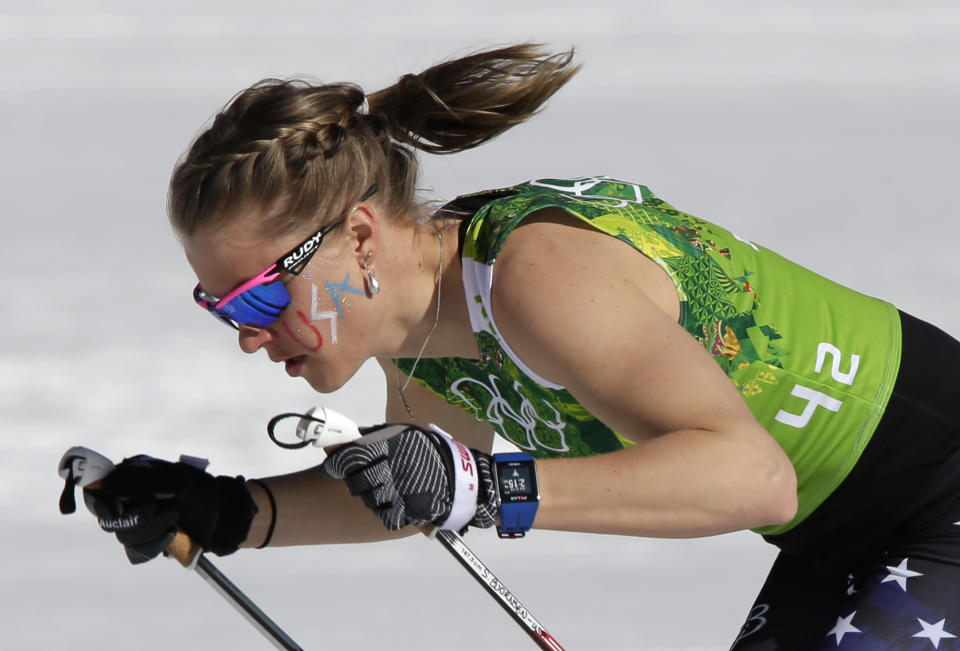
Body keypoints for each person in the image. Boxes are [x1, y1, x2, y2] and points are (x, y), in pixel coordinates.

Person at [79, 44, 960, 649]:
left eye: (264, 292)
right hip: (844, 533)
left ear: (356, 236)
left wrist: (486, 488)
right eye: (220, 305)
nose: (247, 332)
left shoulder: (533, 275)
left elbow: (747, 476)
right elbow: (418, 489)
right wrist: (228, 510)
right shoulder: (419, 332)